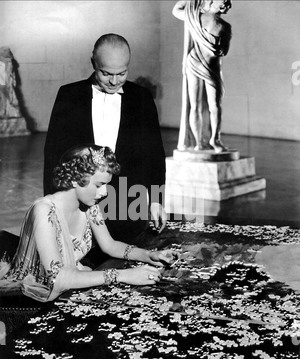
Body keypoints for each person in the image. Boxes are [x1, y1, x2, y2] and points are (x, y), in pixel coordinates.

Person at [0, 145, 177, 303]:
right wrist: (123, 275)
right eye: (99, 184)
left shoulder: (89, 206)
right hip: (37, 287)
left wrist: (148, 255)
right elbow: (59, 279)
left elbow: (110, 245)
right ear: (76, 179)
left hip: (73, 276)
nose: (104, 192)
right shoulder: (43, 211)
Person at [43, 33, 167, 244]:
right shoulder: (68, 95)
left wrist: (156, 201)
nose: (114, 81)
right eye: (106, 73)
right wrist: (52, 203)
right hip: (81, 202)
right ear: (93, 63)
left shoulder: (142, 98)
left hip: (128, 204)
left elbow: (155, 155)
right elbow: (54, 155)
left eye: (122, 73)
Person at [172, 0, 232, 152]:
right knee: (196, 105)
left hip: (209, 67)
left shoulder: (223, 26)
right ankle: (199, 142)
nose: (227, 4)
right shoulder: (195, 17)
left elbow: (224, 51)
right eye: (224, 1)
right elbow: (176, 10)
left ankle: (215, 139)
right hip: (196, 64)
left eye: (228, 2)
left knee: (214, 105)